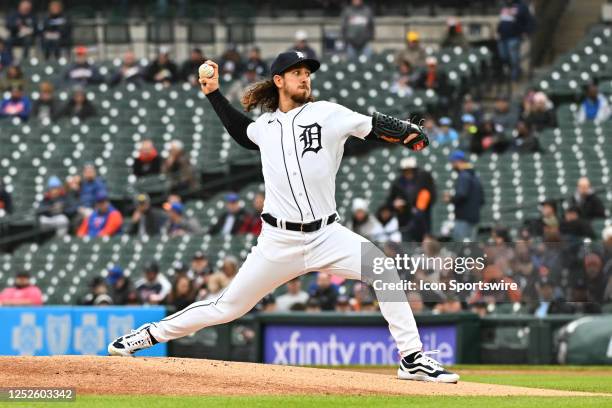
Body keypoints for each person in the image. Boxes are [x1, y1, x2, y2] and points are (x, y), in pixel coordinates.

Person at [108, 50, 459, 383]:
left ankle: (411, 358)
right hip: (278, 241)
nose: (305, 78)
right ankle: (148, 334)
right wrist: (214, 94)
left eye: (307, 73)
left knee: (383, 270)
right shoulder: (266, 126)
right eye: (297, 73)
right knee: (226, 307)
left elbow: (372, 123)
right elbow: (241, 132)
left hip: (327, 234)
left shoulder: (328, 112)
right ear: (279, 80)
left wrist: (405, 132)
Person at [386, 156, 436, 241]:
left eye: (410, 170)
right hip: (404, 220)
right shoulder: (398, 184)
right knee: (407, 245)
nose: (408, 173)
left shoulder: (423, 181)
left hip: (421, 221)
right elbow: (390, 201)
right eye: (405, 171)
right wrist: (395, 204)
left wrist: (421, 205)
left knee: (422, 245)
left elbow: (432, 196)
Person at [444, 150, 484, 242]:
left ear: (458, 161)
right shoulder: (475, 176)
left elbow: (462, 194)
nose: (452, 165)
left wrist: (450, 198)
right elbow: (482, 200)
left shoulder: (464, 176)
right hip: (474, 217)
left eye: (453, 162)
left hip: (463, 218)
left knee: (460, 247)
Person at [497, 0, 535, 81]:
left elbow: (528, 20)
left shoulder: (521, 6)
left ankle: (514, 77)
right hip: (502, 37)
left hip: (514, 37)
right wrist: (498, 31)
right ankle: (515, 71)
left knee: (514, 58)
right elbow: (502, 21)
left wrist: (526, 32)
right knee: (504, 56)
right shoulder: (503, 5)